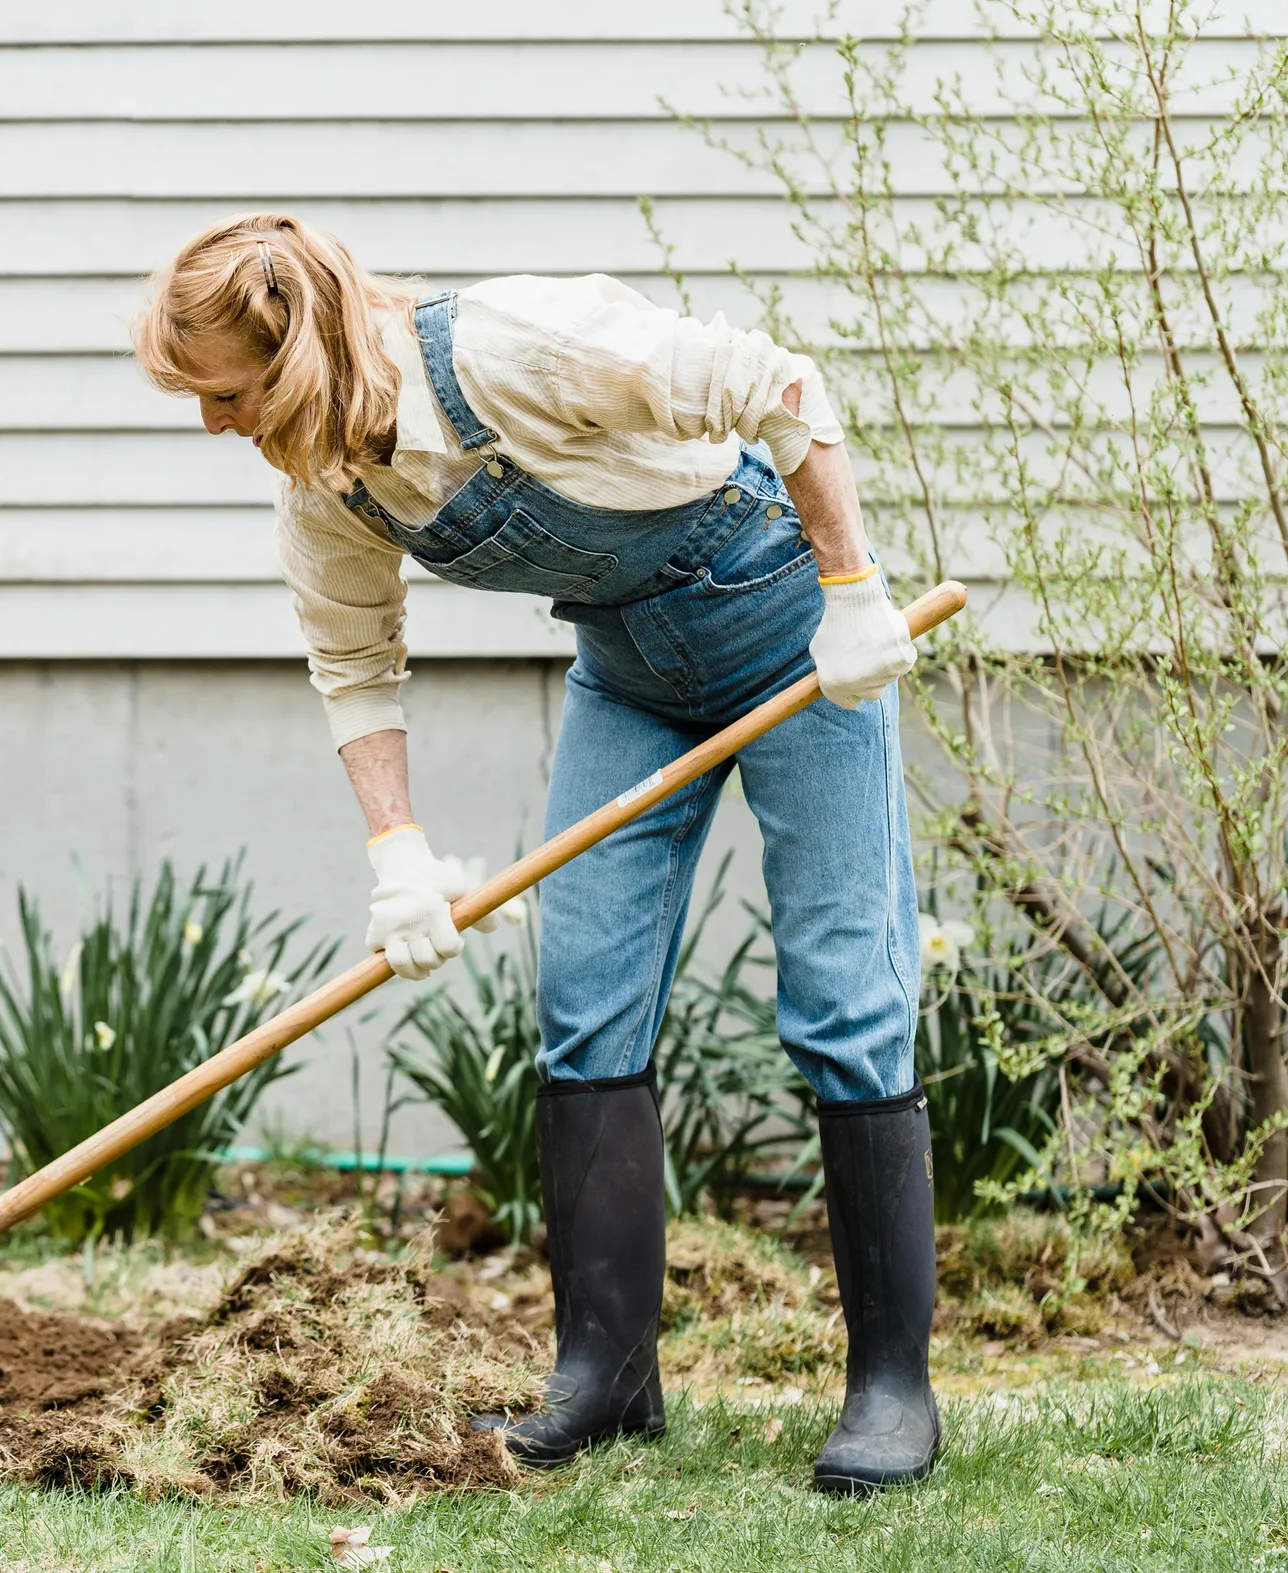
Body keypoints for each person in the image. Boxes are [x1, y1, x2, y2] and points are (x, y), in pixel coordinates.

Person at [137, 213, 936, 1496]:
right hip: (630, 678)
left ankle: (892, 1388)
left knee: (846, 998)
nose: (212, 423)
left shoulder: (513, 346)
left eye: (223, 393)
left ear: (286, 358)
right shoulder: (333, 481)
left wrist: (850, 589)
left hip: (797, 640)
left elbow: (778, 385)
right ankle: (604, 1375)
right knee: (584, 1008)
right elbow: (355, 666)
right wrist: (398, 853)